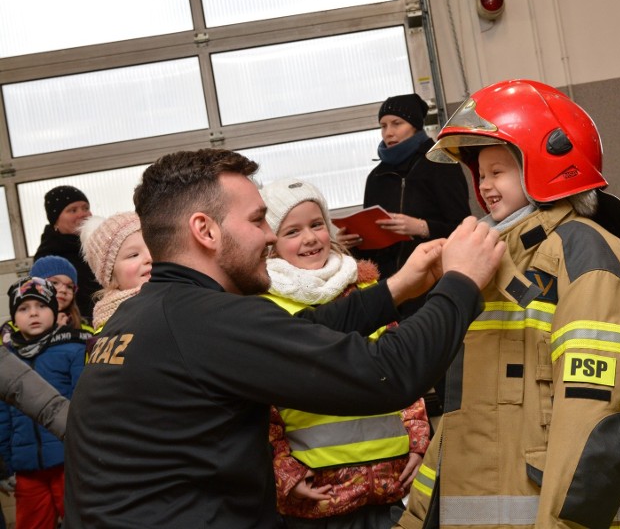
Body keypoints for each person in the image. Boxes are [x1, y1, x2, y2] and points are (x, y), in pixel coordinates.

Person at [64, 147, 505, 529]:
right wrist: (462, 282)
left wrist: (395, 289)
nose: (271, 235)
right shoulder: (208, 320)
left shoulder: (142, 314)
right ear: (206, 230)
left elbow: (303, 331)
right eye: (257, 220)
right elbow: (384, 372)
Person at [396, 80, 620, 529]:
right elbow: (464, 420)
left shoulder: (585, 260)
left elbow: (591, 425)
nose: (486, 187)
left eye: (499, 171)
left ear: (547, 163)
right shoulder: (500, 262)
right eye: (481, 174)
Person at [260, 178, 430, 528]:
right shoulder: (266, 307)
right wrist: (284, 471)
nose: (309, 238)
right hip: (318, 492)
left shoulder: (368, 290)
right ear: (271, 245)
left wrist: (416, 437)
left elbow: (399, 361)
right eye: (291, 231)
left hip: (390, 481)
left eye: (316, 224)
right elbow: (262, 405)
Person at [337, 94, 471, 317]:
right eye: (383, 126)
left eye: (397, 123)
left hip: (433, 286)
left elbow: (463, 227)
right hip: (389, 290)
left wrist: (421, 227)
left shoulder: (441, 165)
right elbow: (372, 242)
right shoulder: (376, 177)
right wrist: (351, 242)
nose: (388, 132)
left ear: (415, 126)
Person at [0, 277, 88, 529]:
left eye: (41, 306)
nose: (33, 314)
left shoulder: (73, 348)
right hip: (27, 470)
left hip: (69, 465)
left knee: (83, 521)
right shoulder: (7, 360)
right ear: (14, 318)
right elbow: (2, 417)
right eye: (23, 309)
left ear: (55, 309)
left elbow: (82, 405)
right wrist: (5, 465)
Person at [79, 211, 152, 333]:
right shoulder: (109, 329)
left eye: (153, 248)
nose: (149, 258)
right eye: (134, 255)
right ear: (111, 276)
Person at [33, 185, 99, 320]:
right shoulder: (48, 256)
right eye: (72, 210)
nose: (83, 214)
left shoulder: (98, 244)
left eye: (85, 208)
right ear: (55, 220)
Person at [29, 255, 92, 332]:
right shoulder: (14, 328)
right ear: (35, 285)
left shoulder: (88, 328)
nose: (63, 290)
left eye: (69, 287)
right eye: (54, 283)